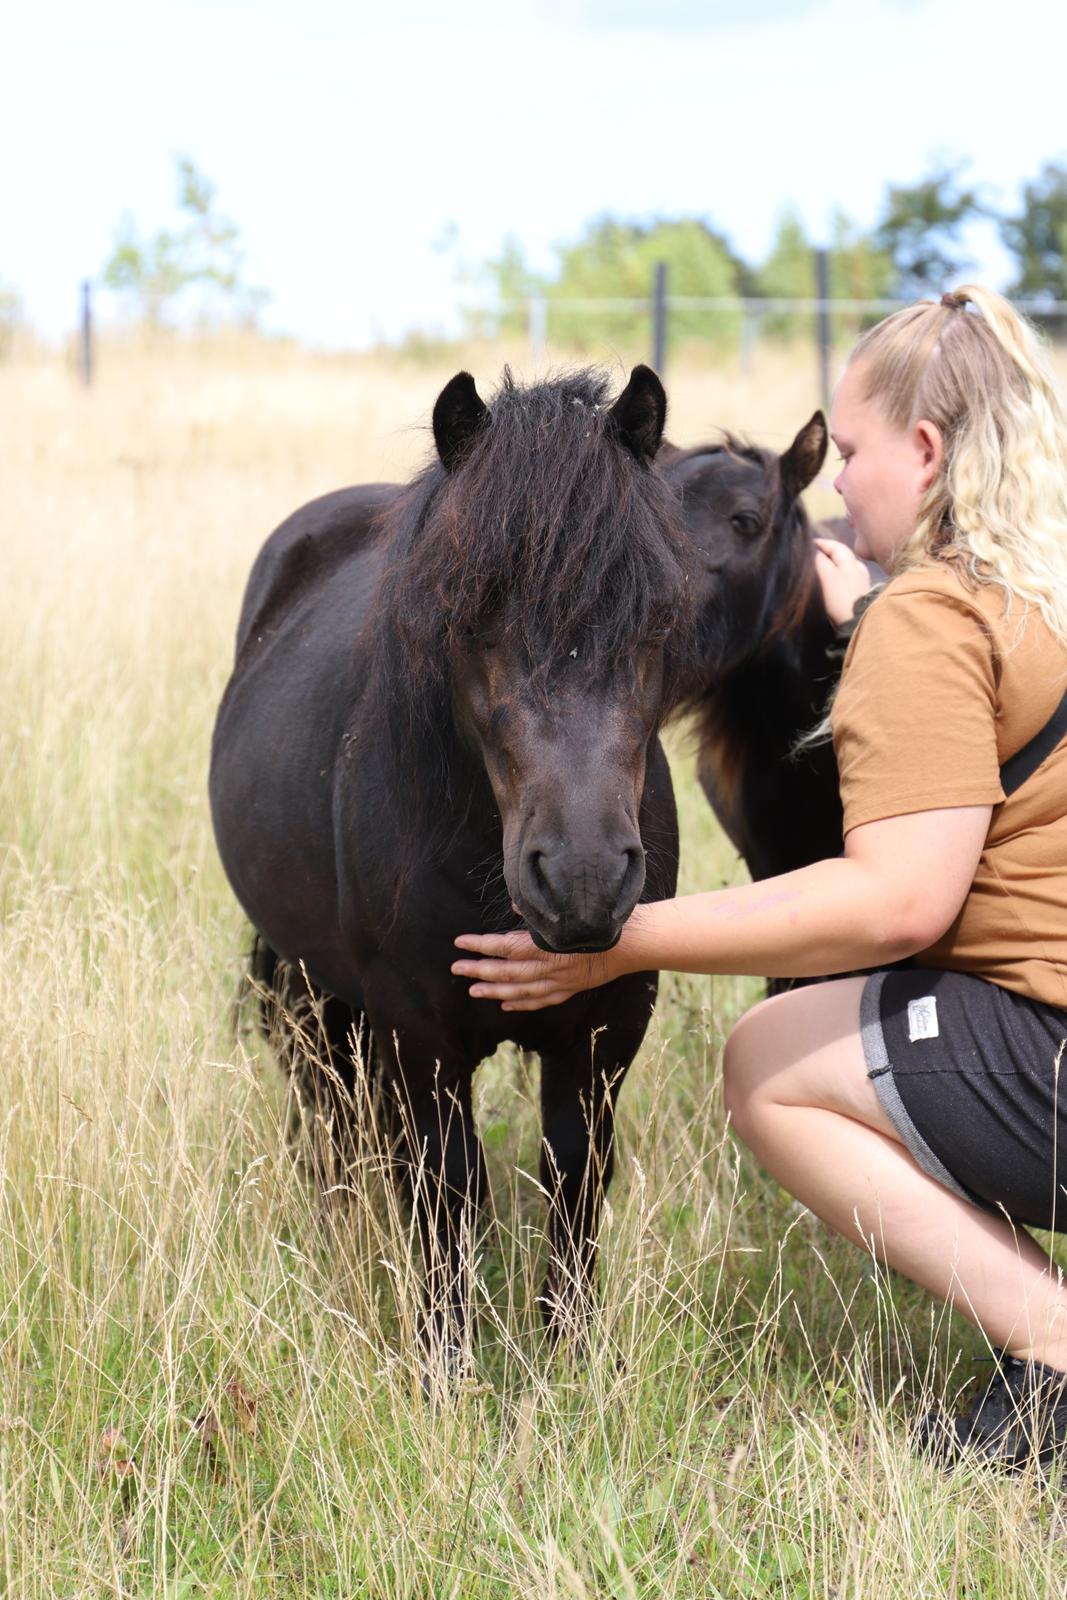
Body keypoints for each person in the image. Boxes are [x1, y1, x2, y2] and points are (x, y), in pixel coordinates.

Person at [451, 286, 1067, 1471]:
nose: (834, 489)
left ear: (925, 452)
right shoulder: (1025, 590)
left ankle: (1051, 1343)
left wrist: (624, 940)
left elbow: (899, 901)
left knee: (765, 1064)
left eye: (849, 455)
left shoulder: (928, 624)